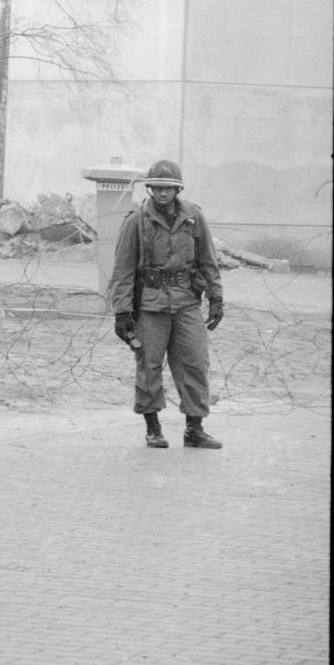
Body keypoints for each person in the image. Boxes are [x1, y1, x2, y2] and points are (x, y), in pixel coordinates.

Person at [109, 159, 225, 450]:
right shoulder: (137, 220)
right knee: (149, 365)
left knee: (195, 363)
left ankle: (194, 429)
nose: (163, 193)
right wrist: (122, 312)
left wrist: (216, 296)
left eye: (169, 188)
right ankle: (153, 428)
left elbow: (208, 261)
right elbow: (122, 270)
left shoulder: (194, 217)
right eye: (158, 188)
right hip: (151, 304)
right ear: (150, 189)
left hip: (186, 302)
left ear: (178, 190)